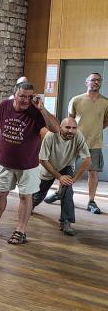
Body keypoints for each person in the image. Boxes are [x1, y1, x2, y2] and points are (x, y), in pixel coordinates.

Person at [0, 82, 60, 244]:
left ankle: (20, 230)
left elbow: (56, 129)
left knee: (25, 197)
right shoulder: (4, 106)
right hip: (5, 162)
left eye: (29, 97)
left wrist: (42, 108)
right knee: (0, 193)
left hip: (28, 165)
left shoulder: (36, 112)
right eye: (22, 96)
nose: (26, 100)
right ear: (15, 94)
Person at [33, 117, 91, 236]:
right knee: (39, 195)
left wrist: (73, 180)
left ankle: (66, 221)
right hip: (49, 166)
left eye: (74, 128)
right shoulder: (50, 136)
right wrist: (59, 176)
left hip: (66, 165)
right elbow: (43, 159)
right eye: (68, 127)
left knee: (67, 188)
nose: (71, 131)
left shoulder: (78, 136)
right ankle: (31, 205)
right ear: (60, 128)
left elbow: (87, 160)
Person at [68, 72, 108, 214]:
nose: (96, 82)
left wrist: (94, 131)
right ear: (86, 82)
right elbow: (70, 121)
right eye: (93, 80)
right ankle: (61, 192)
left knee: (93, 173)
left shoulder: (105, 102)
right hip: (76, 142)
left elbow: (105, 121)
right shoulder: (76, 100)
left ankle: (91, 201)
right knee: (68, 169)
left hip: (95, 144)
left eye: (98, 80)